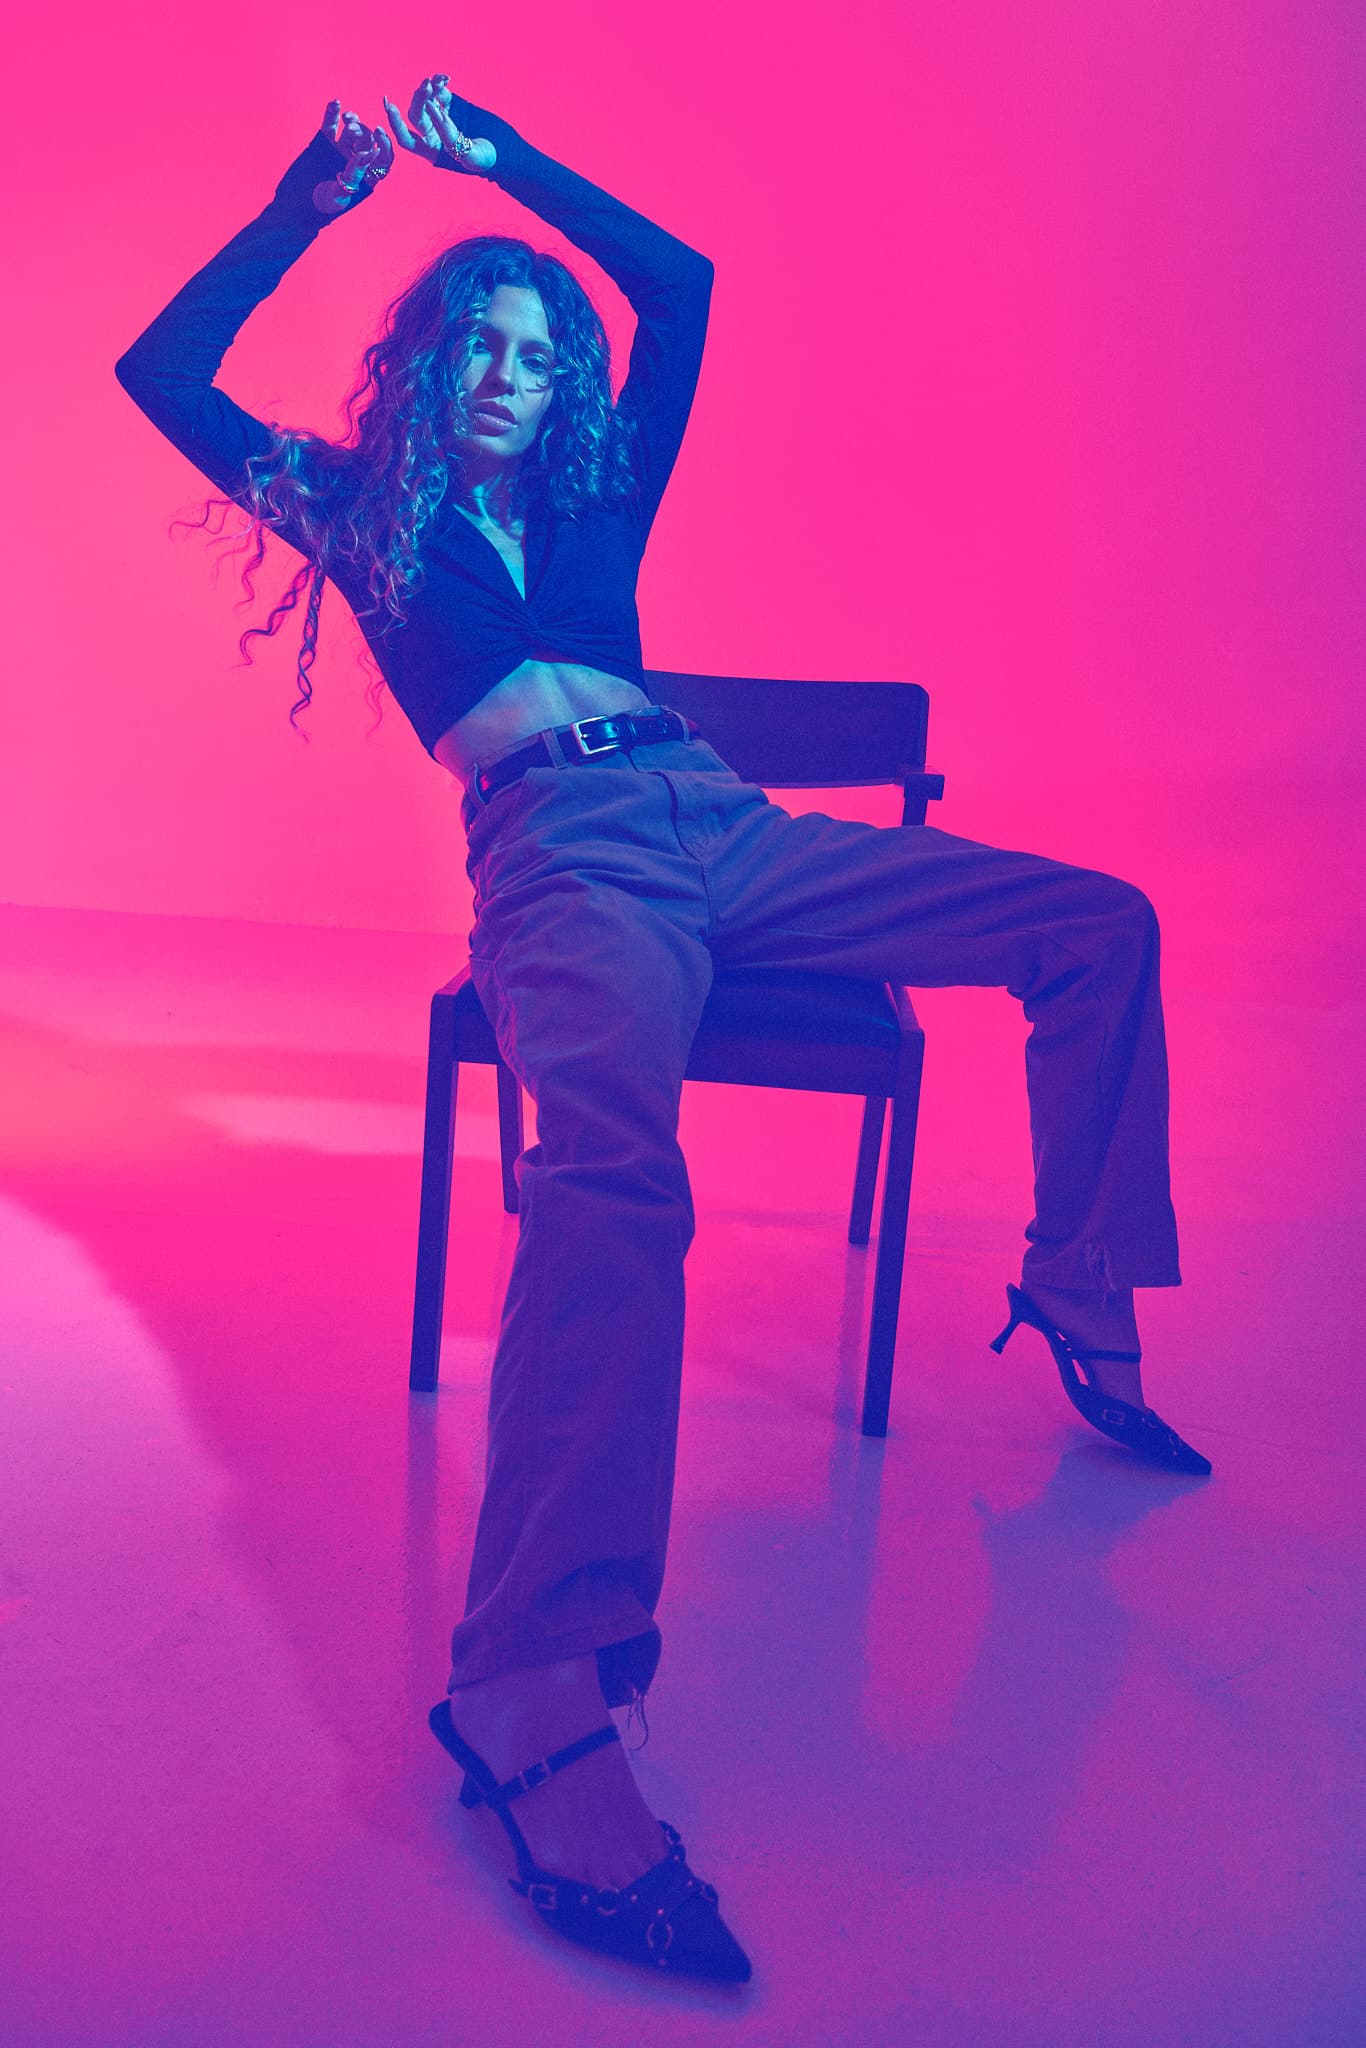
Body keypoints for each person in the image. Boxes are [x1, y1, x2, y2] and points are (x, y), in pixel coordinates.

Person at [115, 72, 1210, 1984]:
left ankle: (1082, 1274)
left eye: (541, 350)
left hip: (727, 821)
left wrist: (514, 168)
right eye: (484, 339)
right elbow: (160, 371)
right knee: (617, 1177)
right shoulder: (357, 514)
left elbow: (683, 287)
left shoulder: (603, 494)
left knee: (1094, 926)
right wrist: (308, 208)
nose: (518, 374)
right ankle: (533, 1687)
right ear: (432, 364)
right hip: (565, 862)